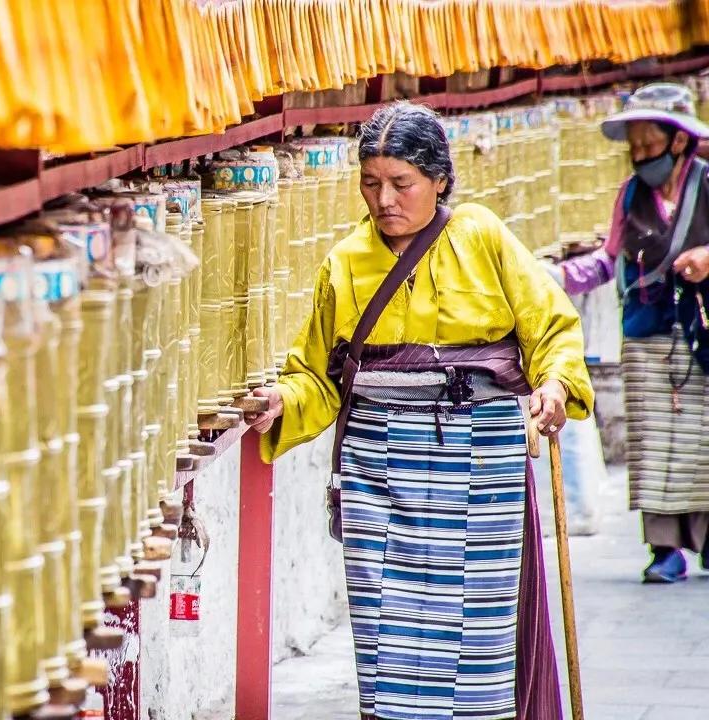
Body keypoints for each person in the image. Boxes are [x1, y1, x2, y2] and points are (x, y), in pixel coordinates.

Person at [245, 101, 593, 720]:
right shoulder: (346, 261)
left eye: (401, 183)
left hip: (479, 465)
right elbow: (320, 378)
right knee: (386, 639)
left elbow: (552, 328)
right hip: (377, 469)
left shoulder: (482, 235)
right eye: (370, 184)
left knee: (476, 637)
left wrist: (556, 387)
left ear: (438, 179)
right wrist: (282, 400)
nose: (384, 200)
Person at [544, 82, 709, 583]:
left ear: (677, 141)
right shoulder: (630, 194)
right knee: (654, 444)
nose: (639, 155)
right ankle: (664, 550)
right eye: (634, 146)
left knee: (701, 442)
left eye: (648, 144)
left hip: (701, 335)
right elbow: (608, 260)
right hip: (645, 334)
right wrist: (554, 276)